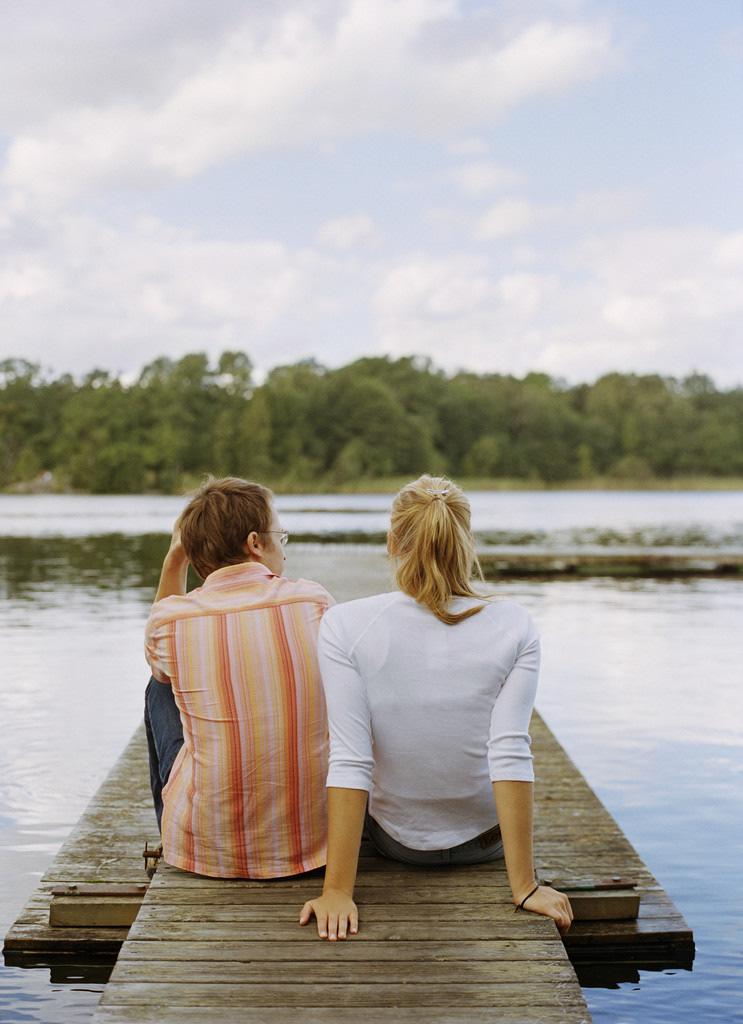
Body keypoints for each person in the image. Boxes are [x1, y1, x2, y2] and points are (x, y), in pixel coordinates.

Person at [300, 474, 572, 938]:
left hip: (397, 844)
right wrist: (524, 886)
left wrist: (338, 891)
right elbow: (509, 751)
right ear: (466, 541)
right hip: (486, 843)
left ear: (392, 542)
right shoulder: (516, 625)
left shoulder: (345, 625)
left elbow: (351, 758)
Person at [144, 476, 333, 879]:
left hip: (210, 852)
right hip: (315, 843)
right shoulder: (313, 601)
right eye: (279, 534)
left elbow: (158, 661)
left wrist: (174, 559)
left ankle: (171, 827)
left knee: (158, 687)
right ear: (255, 543)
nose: (282, 545)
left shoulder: (170, 620)